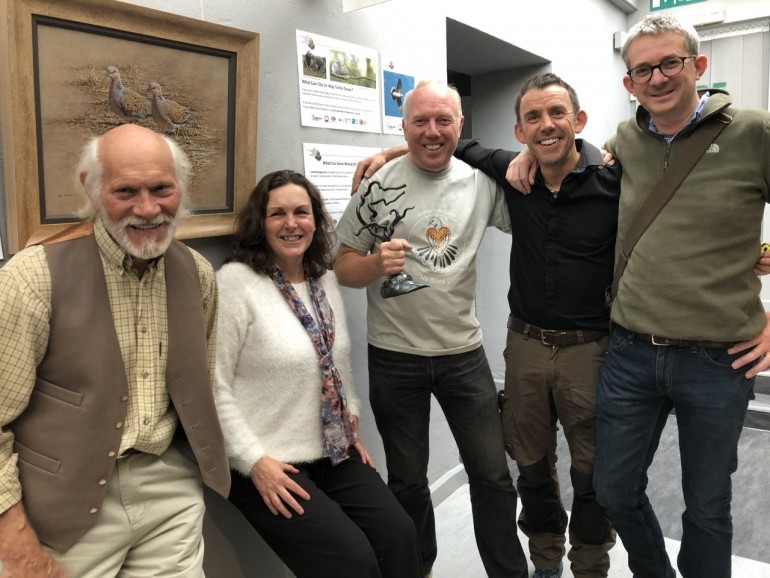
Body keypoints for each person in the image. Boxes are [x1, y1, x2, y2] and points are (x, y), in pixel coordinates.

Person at [353, 73, 619, 578]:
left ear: (578, 121)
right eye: (533, 117)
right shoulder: (512, 175)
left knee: (592, 471)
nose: (546, 126)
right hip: (524, 346)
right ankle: (545, 565)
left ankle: (590, 566)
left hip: (591, 350)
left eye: (557, 113)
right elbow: (447, 142)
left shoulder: (614, 182)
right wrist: (392, 152)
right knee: (529, 465)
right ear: (519, 132)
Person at [575, 14, 770, 578]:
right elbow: (554, 160)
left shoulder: (753, 132)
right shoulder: (622, 141)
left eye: (670, 63)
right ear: (629, 82)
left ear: (698, 67)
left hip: (718, 360)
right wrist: (400, 155)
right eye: (643, 68)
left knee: (707, 507)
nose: (657, 77)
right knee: (612, 489)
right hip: (631, 353)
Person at [0, 123, 230, 577]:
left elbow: (197, 388)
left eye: (162, 188)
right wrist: (13, 538)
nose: (147, 209)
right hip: (58, 508)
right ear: (92, 187)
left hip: (169, 490)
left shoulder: (198, 274)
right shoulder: (31, 279)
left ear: (180, 187)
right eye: (126, 191)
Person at [335, 80, 527, 578]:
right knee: (407, 482)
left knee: (492, 477)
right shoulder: (377, 185)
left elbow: (538, 212)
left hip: (464, 354)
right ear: (404, 126)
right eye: (420, 121)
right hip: (394, 356)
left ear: (461, 126)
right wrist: (375, 264)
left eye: (444, 120)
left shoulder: (481, 183)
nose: (432, 131)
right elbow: (343, 266)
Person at [214, 169, 422, 578]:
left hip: (332, 450)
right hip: (267, 461)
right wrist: (254, 462)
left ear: (315, 220)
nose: (291, 224)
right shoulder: (236, 284)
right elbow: (211, 386)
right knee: (352, 561)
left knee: (399, 535)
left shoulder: (323, 280)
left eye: (301, 212)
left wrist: (352, 418)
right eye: (277, 214)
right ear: (260, 223)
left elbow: (336, 361)